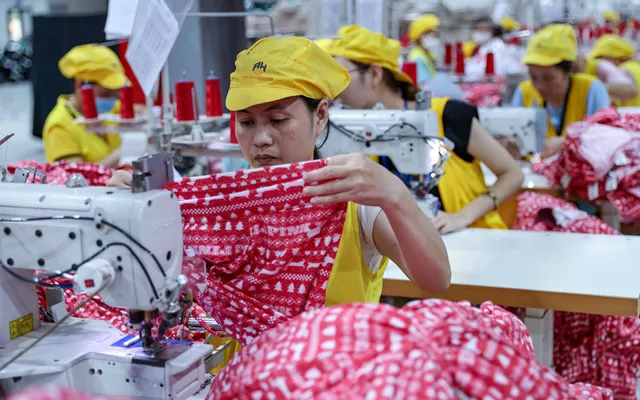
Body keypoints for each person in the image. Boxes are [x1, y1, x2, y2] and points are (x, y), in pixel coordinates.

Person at [109, 37, 451, 299]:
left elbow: (436, 281)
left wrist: (395, 195)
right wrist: (135, 206)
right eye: (246, 123)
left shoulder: (353, 204)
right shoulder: (222, 203)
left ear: (320, 116)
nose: (260, 139)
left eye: (278, 120)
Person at [325, 25, 524, 233]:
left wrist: (464, 216)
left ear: (375, 74)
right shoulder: (355, 131)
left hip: (473, 236)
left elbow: (512, 174)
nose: (334, 88)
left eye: (342, 75)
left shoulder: (447, 115)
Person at [511, 24, 611, 158]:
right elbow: (512, 136)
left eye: (548, 78)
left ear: (568, 71)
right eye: (533, 77)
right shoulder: (524, 91)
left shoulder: (591, 89)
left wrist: (566, 142)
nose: (539, 86)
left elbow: (605, 137)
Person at [43, 44, 126, 167]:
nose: (111, 99)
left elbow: (138, 111)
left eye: (115, 93)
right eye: (105, 93)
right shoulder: (59, 126)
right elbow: (76, 175)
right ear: (80, 84)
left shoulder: (111, 108)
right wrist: (122, 153)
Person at [579, 34, 640, 105]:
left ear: (609, 57)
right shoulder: (636, 67)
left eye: (600, 58)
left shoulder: (620, 71)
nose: (598, 63)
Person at [406, 14, 440, 85]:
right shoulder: (417, 58)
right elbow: (424, 85)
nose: (435, 39)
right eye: (433, 35)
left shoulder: (426, 54)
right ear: (421, 36)